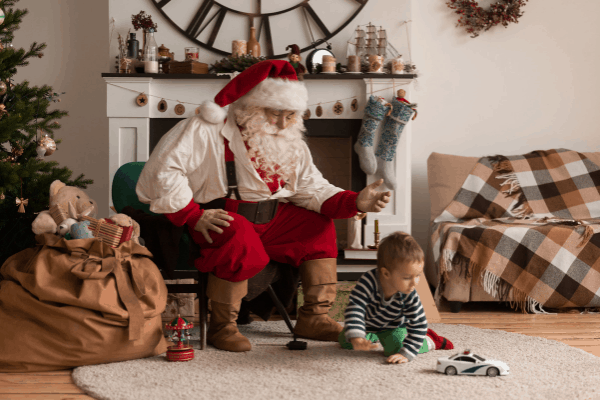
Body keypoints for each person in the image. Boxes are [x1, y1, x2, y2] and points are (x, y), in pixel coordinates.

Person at [136, 60, 391, 352]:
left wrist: (355, 200)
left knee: (316, 226)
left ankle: (314, 317)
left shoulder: (290, 139)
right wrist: (194, 215)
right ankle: (223, 326)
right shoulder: (203, 128)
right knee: (237, 232)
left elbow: (310, 187)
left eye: (291, 115)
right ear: (251, 107)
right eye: (275, 113)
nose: (283, 124)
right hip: (220, 217)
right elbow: (162, 171)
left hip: (272, 219)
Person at [339, 231, 453, 363]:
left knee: (394, 349)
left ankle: (430, 341)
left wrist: (407, 354)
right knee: (346, 341)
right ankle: (371, 336)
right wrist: (356, 336)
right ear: (386, 274)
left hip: (393, 327)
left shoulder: (409, 293)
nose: (414, 282)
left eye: (418, 275)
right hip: (368, 324)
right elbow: (355, 308)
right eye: (407, 277)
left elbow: (419, 323)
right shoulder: (368, 281)